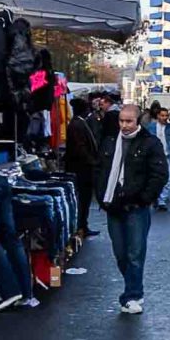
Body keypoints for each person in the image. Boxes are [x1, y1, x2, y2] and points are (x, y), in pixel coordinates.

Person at [100, 103, 167, 314]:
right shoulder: (111, 141)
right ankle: (132, 288)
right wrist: (101, 194)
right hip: (113, 205)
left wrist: (144, 198)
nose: (124, 125)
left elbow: (159, 174)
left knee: (135, 253)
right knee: (120, 253)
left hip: (136, 207)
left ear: (138, 121)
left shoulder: (150, 143)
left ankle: (132, 295)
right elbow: (100, 169)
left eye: (129, 121)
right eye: (121, 121)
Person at [64, 95, 101, 236]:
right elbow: (81, 148)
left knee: (84, 199)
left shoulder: (78, 123)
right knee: (83, 198)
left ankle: (83, 225)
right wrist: (92, 161)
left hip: (82, 168)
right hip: (81, 169)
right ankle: (81, 226)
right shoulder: (77, 124)